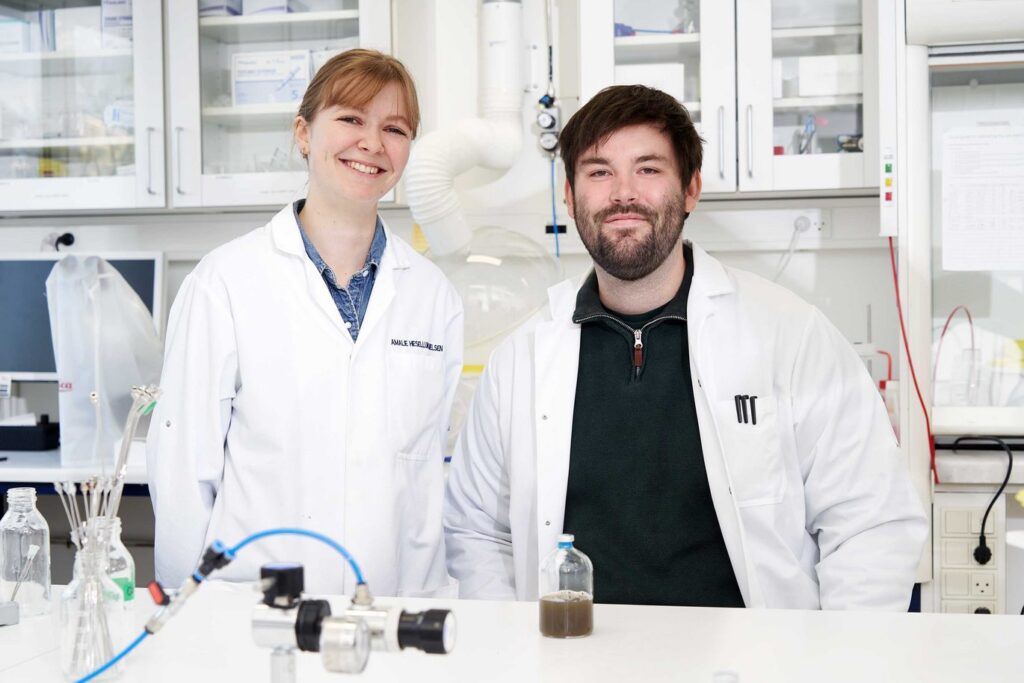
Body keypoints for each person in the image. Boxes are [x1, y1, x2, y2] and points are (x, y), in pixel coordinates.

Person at [444, 85, 927, 610]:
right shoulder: (523, 359)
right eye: (599, 171)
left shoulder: (790, 334)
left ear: (691, 189)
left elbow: (869, 524)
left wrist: (835, 662)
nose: (622, 192)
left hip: (752, 665)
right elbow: (478, 533)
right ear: (569, 196)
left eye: (648, 169)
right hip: (573, 661)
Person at [148, 49, 463, 596]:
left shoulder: (433, 295)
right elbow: (182, 475)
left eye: (395, 128)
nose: (372, 143)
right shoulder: (223, 283)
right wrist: (185, 621)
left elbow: (426, 475)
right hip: (254, 610)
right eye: (350, 119)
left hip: (391, 610)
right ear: (303, 133)